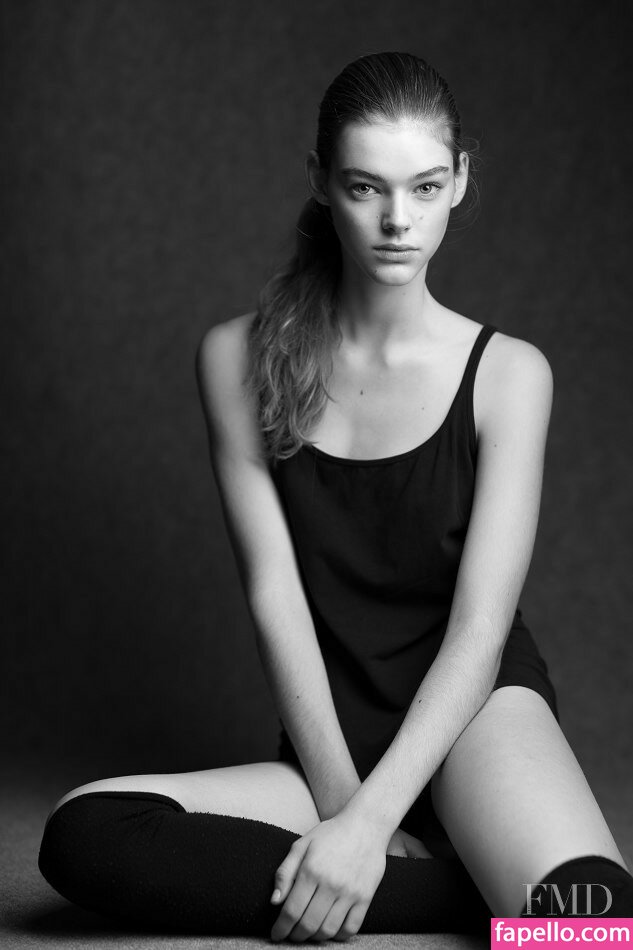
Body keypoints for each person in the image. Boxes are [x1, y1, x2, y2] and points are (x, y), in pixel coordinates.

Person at [38, 51, 633, 940]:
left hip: (475, 714)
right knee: (88, 836)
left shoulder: (510, 374)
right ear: (320, 181)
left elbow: (479, 629)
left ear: (458, 181)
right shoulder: (233, 358)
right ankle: (472, 892)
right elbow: (274, 596)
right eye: (365, 187)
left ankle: (462, 874)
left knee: (591, 921)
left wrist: (366, 828)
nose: (397, 220)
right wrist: (351, 810)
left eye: (424, 187)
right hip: (329, 731)